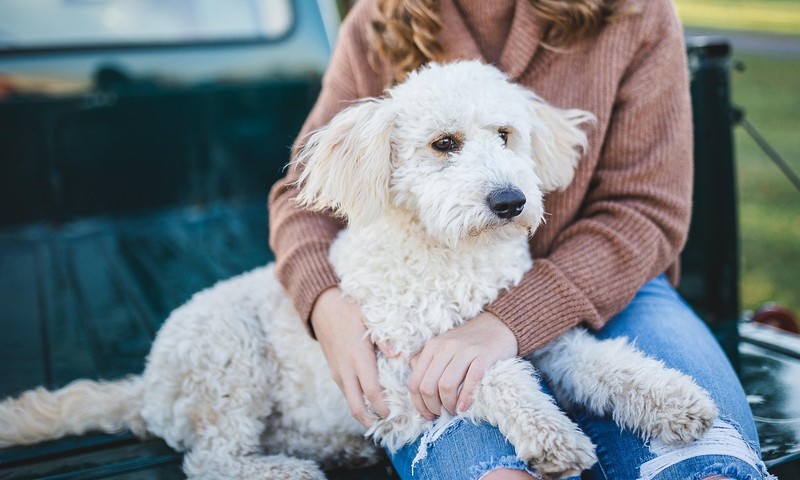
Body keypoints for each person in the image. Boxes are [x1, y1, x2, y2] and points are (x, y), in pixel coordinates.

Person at [268, 0, 773, 478]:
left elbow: (647, 209)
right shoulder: (382, 16)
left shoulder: (634, 13)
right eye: (446, 145)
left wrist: (510, 320)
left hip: (617, 284)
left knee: (706, 462)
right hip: (426, 296)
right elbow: (301, 197)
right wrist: (325, 302)